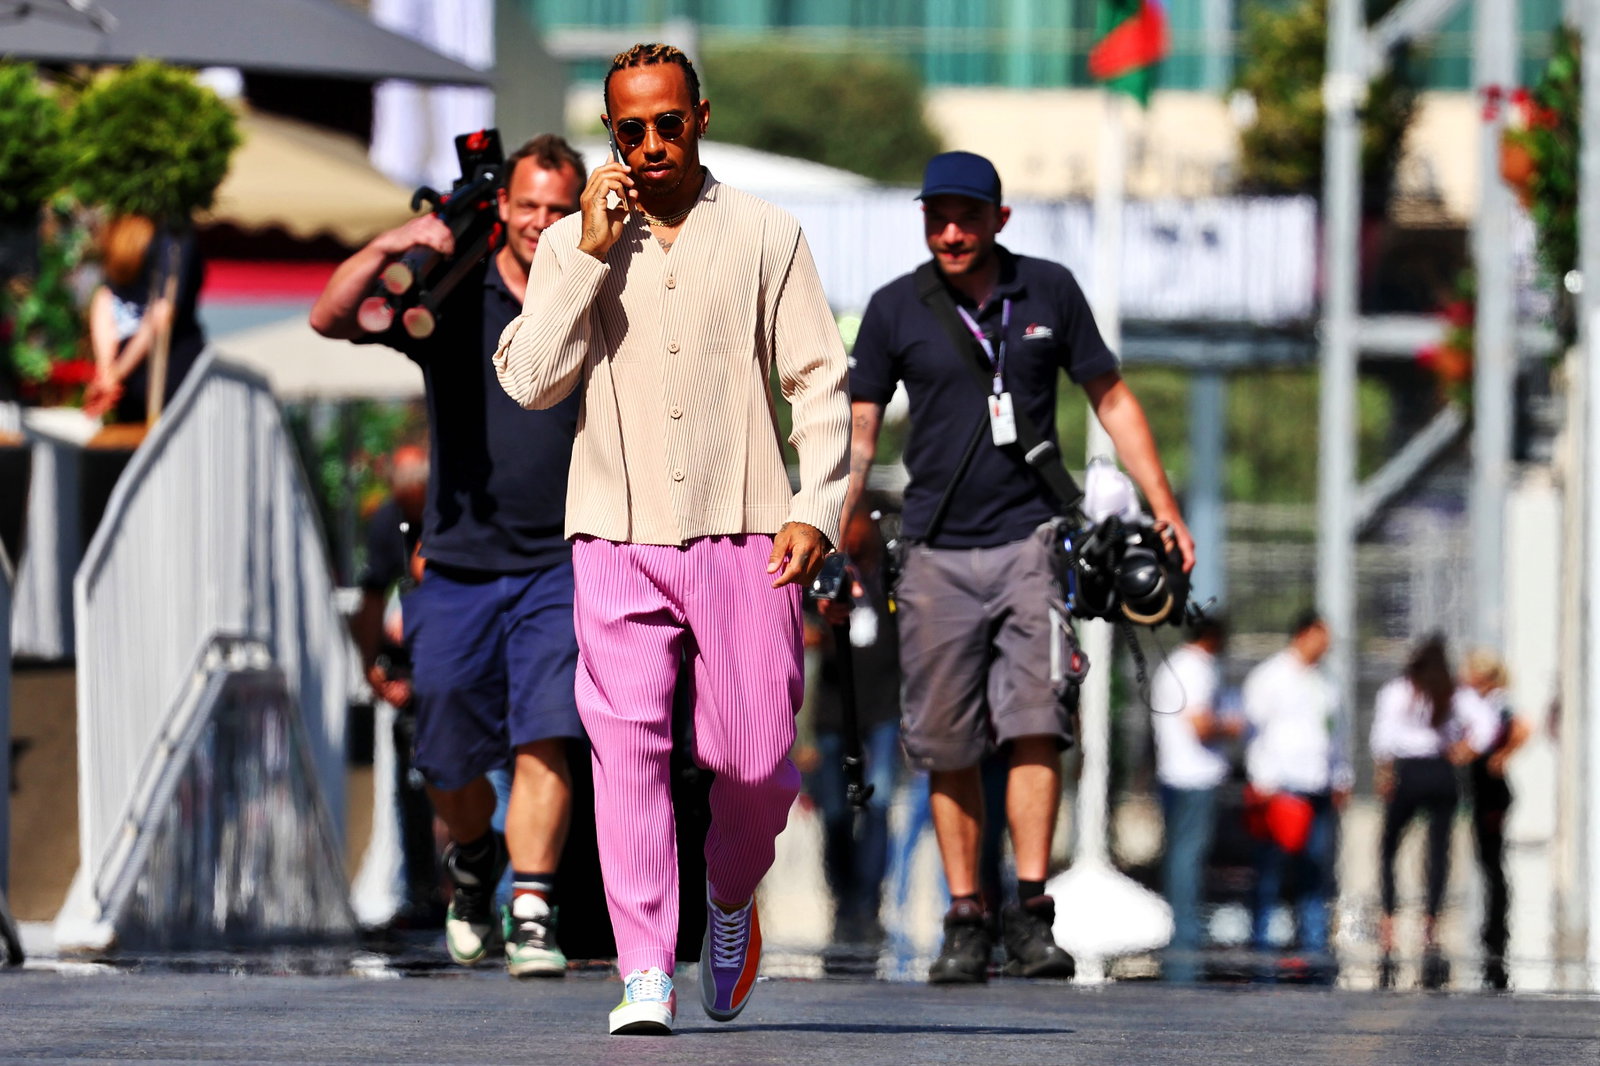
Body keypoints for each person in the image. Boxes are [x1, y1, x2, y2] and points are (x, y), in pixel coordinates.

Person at [493, 43, 850, 1035]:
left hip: (749, 533)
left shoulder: (770, 233)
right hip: (613, 531)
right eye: (628, 130)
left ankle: (729, 901)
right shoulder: (573, 244)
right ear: (611, 136)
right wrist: (590, 253)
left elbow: (819, 380)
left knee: (755, 760)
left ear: (698, 115)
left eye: (666, 123)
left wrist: (814, 505)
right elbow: (528, 379)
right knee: (626, 750)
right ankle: (644, 966)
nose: (650, 145)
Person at [843, 150, 1196, 986]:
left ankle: (1031, 914)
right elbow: (857, 426)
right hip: (930, 552)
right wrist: (834, 517)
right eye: (937, 217)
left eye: (968, 215)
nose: (952, 231)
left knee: (1038, 722)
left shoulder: (1049, 291)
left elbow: (1109, 395)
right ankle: (966, 915)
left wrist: (1164, 506)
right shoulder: (897, 307)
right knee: (945, 742)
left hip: (1032, 542)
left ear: (1001, 219)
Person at [310, 134, 589, 979]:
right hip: (459, 561)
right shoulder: (452, 293)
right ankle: (474, 864)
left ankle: (532, 905)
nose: (541, 223)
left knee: (548, 732)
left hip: (561, 559)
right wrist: (400, 241)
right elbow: (331, 316)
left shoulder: (590, 296)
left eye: (557, 209)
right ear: (502, 206)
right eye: (529, 206)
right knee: (445, 752)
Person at [1369, 636, 1498, 988]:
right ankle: (1431, 922)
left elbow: (1382, 737)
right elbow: (1487, 726)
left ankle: (1389, 919)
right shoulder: (1453, 692)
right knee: (1437, 850)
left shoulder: (1400, 690)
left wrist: (1384, 773)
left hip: (1410, 772)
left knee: (1389, 845)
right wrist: (1466, 751)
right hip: (1441, 772)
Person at [807, 502, 902, 954]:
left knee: (879, 806)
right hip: (831, 716)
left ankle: (869, 902)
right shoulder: (822, 575)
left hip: (882, 713)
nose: (851, 531)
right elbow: (801, 632)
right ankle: (843, 900)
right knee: (835, 812)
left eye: (856, 520)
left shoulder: (890, 577)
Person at [1241, 609, 1350, 974]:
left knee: (1314, 873)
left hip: (1316, 787)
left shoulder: (1325, 683)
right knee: (1270, 872)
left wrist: (1341, 776)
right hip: (1280, 789)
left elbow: (1335, 734)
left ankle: (1313, 951)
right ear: (1303, 634)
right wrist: (1263, 782)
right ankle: (1263, 951)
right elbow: (1255, 731)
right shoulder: (1271, 677)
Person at [1149, 614, 1241, 983]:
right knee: (1188, 856)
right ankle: (1185, 932)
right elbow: (1201, 724)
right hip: (1194, 774)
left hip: (1176, 772)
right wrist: (1231, 725)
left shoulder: (1174, 664)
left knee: (1180, 854)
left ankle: (1182, 926)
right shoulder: (1198, 668)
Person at [84, 214, 206, 424]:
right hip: (170, 376)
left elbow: (107, 299)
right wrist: (112, 373)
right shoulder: (175, 235)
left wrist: (109, 372)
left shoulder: (119, 230)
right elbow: (162, 313)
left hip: (133, 382)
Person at [1458, 648, 1530, 990]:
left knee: (1492, 859)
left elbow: (1523, 728)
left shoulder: (1498, 702)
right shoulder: (1480, 703)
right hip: (1481, 789)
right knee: (1486, 857)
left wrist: (1501, 755)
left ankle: (1496, 927)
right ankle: (1492, 924)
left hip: (1492, 792)